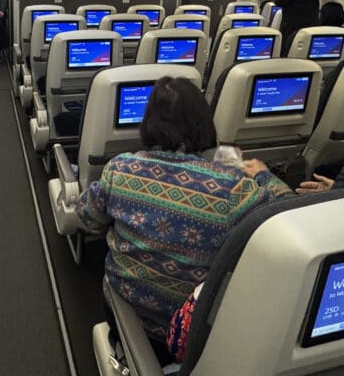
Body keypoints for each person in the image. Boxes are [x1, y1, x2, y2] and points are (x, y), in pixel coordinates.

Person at [76, 77, 292, 350]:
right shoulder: (233, 188)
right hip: (195, 322)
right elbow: (289, 216)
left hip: (124, 305)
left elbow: (87, 218)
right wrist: (263, 174)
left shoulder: (121, 168)